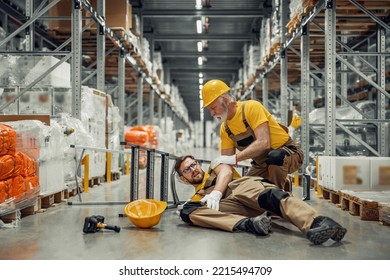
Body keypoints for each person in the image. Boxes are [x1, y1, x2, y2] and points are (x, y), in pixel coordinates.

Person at [174, 155, 347, 245]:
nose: (193, 169)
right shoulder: (197, 198)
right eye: (187, 170)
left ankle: (319, 222)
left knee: (268, 196)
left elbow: (226, 173)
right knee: (188, 212)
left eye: (193, 164)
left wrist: (216, 193)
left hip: (242, 189)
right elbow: (196, 212)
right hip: (235, 209)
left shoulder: (214, 166)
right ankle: (249, 224)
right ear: (183, 179)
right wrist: (190, 206)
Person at [201, 79, 304, 191]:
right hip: (261, 164)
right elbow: (227, 162)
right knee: (243, 191)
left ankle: (279, 195)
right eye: (209, 110)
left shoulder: (251, 108)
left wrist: (235, 158)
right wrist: (218, 191)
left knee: (275, 157)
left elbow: (264, 143)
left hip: (289, 154)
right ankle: (278, 185)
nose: (212, 113)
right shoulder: (225, 129)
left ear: (225, 101)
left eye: (213, 108)